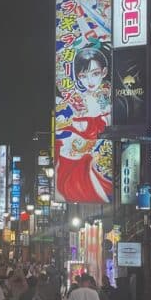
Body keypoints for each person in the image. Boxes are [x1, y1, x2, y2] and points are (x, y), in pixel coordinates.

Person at [55, 47, 113, 203]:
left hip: (105, 166)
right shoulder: (76, 105)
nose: (90, 81)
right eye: (83, 76)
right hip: (77, 168)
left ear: (104, 72)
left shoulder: (110, 99)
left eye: (95, 74)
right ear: (78, 77)